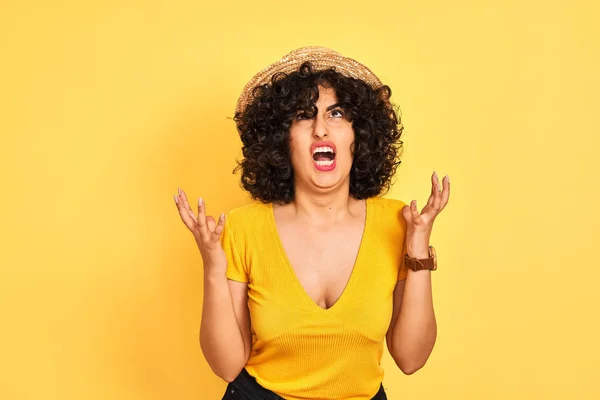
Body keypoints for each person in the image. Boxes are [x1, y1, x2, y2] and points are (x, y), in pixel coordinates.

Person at [174, 46, 450, 400]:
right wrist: (213, 264)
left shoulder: (397, 223)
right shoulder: (244, 228)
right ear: (281, 140)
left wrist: (418, 250)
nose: (321, 129)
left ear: (359, 134)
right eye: (304, 116)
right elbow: (228, 366)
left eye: (336, 114)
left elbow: (412, 358)